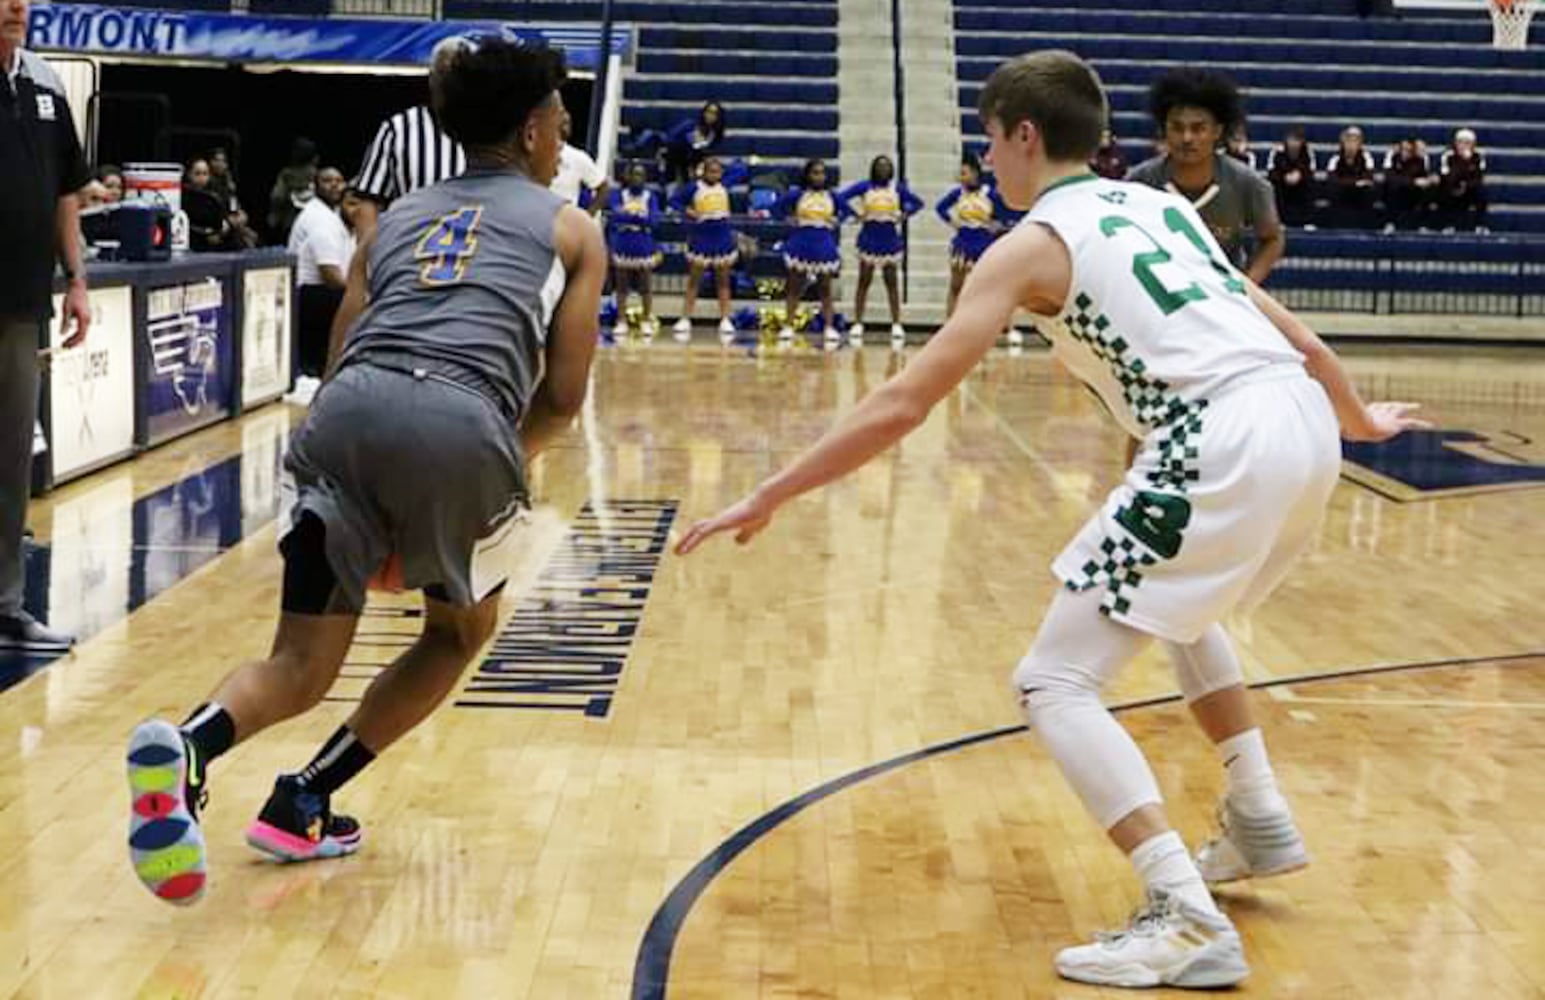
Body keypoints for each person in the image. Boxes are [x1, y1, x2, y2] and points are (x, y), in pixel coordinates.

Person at [674, 49, 1429, 990]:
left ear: (1024, 136)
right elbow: (1296, 334)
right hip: (1298, 419)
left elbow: (906, 402)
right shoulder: (1157, 205)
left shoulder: (1028, 246)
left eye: (990, 141)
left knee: (1053, 681)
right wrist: (1358, 420)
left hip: (1216, 436)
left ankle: (1181, 913)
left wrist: (770, 491)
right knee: (1178, 612)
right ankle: (1258, 811)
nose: (988, 160)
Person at [123, 37, 606, 905]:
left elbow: (341, 353)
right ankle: (306, 794)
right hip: (462, 421)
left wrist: (382, 483)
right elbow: (565, 399)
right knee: (456, 633)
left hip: (342, 419)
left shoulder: (396, 216)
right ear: (535, 130)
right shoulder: (573, 230)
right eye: (562, 123)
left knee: (301, 659)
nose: (562, 137)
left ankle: (192, 746)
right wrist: (469, 480)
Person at [0, 0, 91, 652]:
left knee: (9, 462)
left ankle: (5, 606)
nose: (15, 6)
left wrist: (77, 278)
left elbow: (67, 190)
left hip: (22, 304)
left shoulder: (44, 86)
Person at [1128, 68, 1284, 283]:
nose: (1187, 138)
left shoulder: (1247, 183)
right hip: (1159, 297)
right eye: (1177, 127)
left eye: (1198, 128)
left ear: (1217, 131)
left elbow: (1272, 238)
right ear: (1164, 130)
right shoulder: (1138, 182)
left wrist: (1246, 287)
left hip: (1220, 298)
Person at [349, 38, 468, 251]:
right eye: (446, 74)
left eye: (462, 77)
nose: (454, 85)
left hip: (477, 266)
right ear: (432, 79)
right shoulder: (398, 129)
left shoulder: (494, 131)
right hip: (410, 263)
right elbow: (367, 203)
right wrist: (375, 262)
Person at [837, 154, 923, 346]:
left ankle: (897, 323)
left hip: (890, 237)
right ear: (873, 168)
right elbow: (840, 198)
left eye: (886, 166)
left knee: (891, 282)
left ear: (891, 170)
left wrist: (904, 214)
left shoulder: (897, 189)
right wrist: (855, 213)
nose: (883, 169)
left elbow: (918, 203)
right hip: (869, 235)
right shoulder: (864, 186)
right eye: (879, 166)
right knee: (863, 281)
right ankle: (858, 322)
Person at [287, 167, 360, 376]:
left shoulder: (338, 219)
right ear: (315, 185)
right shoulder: (321, 219)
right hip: (308, 295)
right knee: (351, 298)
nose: (335, 185)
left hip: (320, 293)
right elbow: (332, 277)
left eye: (339, 180)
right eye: (328, 181)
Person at [777, 159, 845, 347]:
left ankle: (829, 326)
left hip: (823, 243)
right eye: (815, 172)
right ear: (807, 175)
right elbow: (777, 208)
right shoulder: (798, 194)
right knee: (794, 286)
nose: (819, 176)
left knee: (825, 288)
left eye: (822, 173)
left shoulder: (832, 196)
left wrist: (837, 219)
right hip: (800, 243)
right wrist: (788, 219)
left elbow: (847, 212)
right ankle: (788, 325)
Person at [671, 156, 738, 341]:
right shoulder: (694, 187)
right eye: (711, 171)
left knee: (723, 281)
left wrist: (726, 169)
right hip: (701, 236)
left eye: (718, 171)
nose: (714, 175)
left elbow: (742, 170)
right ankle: (685, 317)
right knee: (694, 281)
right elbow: (674, 201)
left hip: (722, 236)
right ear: (704, 171)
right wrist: (688, 211)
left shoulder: (725, 184)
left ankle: (725, 318)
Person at [936, 152, 1009, 319]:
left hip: (984, 244)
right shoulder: (958, 193)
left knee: (985, 289)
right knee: (956, 286)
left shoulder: (989, 193)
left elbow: (1003, 213)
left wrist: (996, 226)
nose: (961, 178)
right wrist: (953, 222)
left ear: (975, 173)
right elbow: (940, 208)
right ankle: (950, 324)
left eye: (964, 173)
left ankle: (987, 324)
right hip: (962, 243)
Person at [606, 161, 663, 334]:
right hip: (623, 242)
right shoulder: (618, 194)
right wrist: (639, 217)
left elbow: (654, 221)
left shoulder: (650, 197)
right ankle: (621, 320)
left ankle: (646, 319)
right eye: (634, 174)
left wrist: (629, 216)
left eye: (641, 175)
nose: (637, 178)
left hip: (643, 243)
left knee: (645, 285)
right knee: (621, 285)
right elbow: (615, 217)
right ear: (627, 176)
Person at [551, 117, 609, 216]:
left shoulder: (578, 157)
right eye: (561, 122)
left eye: (567, 123)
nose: (563, 127)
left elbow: (603, 187)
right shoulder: (534, 153)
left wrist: (588, 216)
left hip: (565, 222)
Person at [267, 137, 319, 242]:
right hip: (313, 223)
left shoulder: (286, 174)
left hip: (290, 224)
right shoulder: (317, 175)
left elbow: (277, 196)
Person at [1325, 125, 1378, 229]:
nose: (1351, 145)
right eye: (1348, 141)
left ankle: (1367, 226)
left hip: (1359, 193)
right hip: (1343, 191)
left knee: (1370, 190)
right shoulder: (1335, 158)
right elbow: (1332, 179)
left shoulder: (1366, 157)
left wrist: (1354, 183)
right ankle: (1334, 225)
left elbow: (1368, 177)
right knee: (1332, 189)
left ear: (1360, 144)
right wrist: (1354, 183)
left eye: (1355, 141)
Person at [1383, 136, 1438, 231]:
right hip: (1397, 191)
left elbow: (1425, 176)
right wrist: (1413, 182)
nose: (1405, 152)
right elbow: (1389, 177)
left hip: (1413, 193)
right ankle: (1390, 223)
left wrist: (1430, 180)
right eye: (1403, 149)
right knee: (1392, 188)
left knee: (1428, 190)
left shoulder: (1420, 159)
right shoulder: (1392, 157)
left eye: (1408, 150)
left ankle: (1423, 225)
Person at [1266, 125, 1316, 228]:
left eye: (1297, 140)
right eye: (1291, 140)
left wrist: (1300, 175)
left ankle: (1307, 220)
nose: (1294, 144)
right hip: (1282, 184)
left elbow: (1311, 171)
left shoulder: (1307, 152)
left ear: (1302, 141)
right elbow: (1271, 171)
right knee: (1273, 186)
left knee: (1310, 185)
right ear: (1286, 140)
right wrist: (1284, 177)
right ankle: (1279, 220)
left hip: (1301, 184)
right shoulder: (1277, 151)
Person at [1440, 127, 1487, 232]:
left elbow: (1478, 177)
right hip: (1452, 188)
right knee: (1443, 191)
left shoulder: (1478, 157)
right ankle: (1448, 225)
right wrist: (1463, 163)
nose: (1463, 146)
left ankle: (1480, 225)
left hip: (1470, 188)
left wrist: (1465, 185)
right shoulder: (1448, 156)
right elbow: (1447, 177)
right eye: (1460, 142)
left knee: (1481, 192)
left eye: (1467, 143)